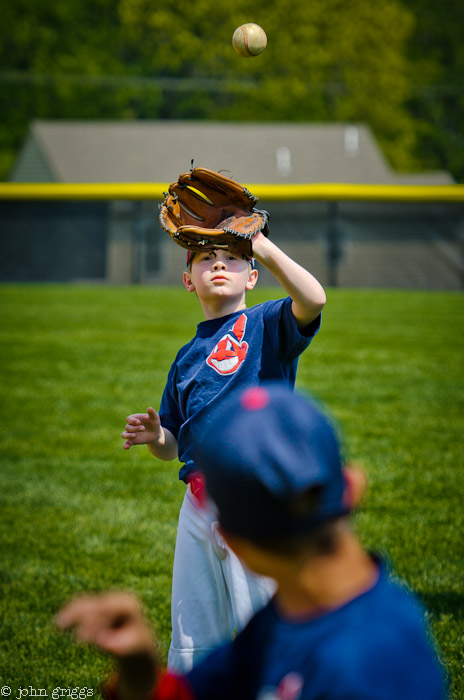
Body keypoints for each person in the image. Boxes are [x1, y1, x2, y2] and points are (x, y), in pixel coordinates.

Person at [59, 384, 446, 700]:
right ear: (353, 487)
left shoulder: (369, 669)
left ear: (229, 542)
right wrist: (140, 670)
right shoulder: (284, 619)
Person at [120, 229, 327, 672]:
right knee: (192, 630)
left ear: (251, 276)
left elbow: (314, 299)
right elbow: (175, 444)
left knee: (261, 621)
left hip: (251, 496)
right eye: (205, 258)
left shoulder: (269, 324)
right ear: (187, 280)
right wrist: (157, 437)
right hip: (195, 504)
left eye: (231, 257)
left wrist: (264, 245)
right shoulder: (186, 356)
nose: (218, 263)